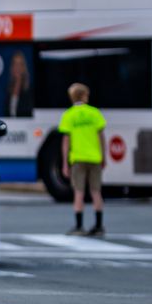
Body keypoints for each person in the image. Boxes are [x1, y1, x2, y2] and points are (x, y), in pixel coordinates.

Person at [59, 83, 107, 237]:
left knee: (79, 192)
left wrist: (65, 163)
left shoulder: (68, 115)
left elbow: (66, 141)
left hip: (78, 158)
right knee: (96, 192)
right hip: (94, 158)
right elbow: (101, 137)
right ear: (85, 96)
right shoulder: (94, 113)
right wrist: (103, 156)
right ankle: (99, 226)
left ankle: (79, 226)